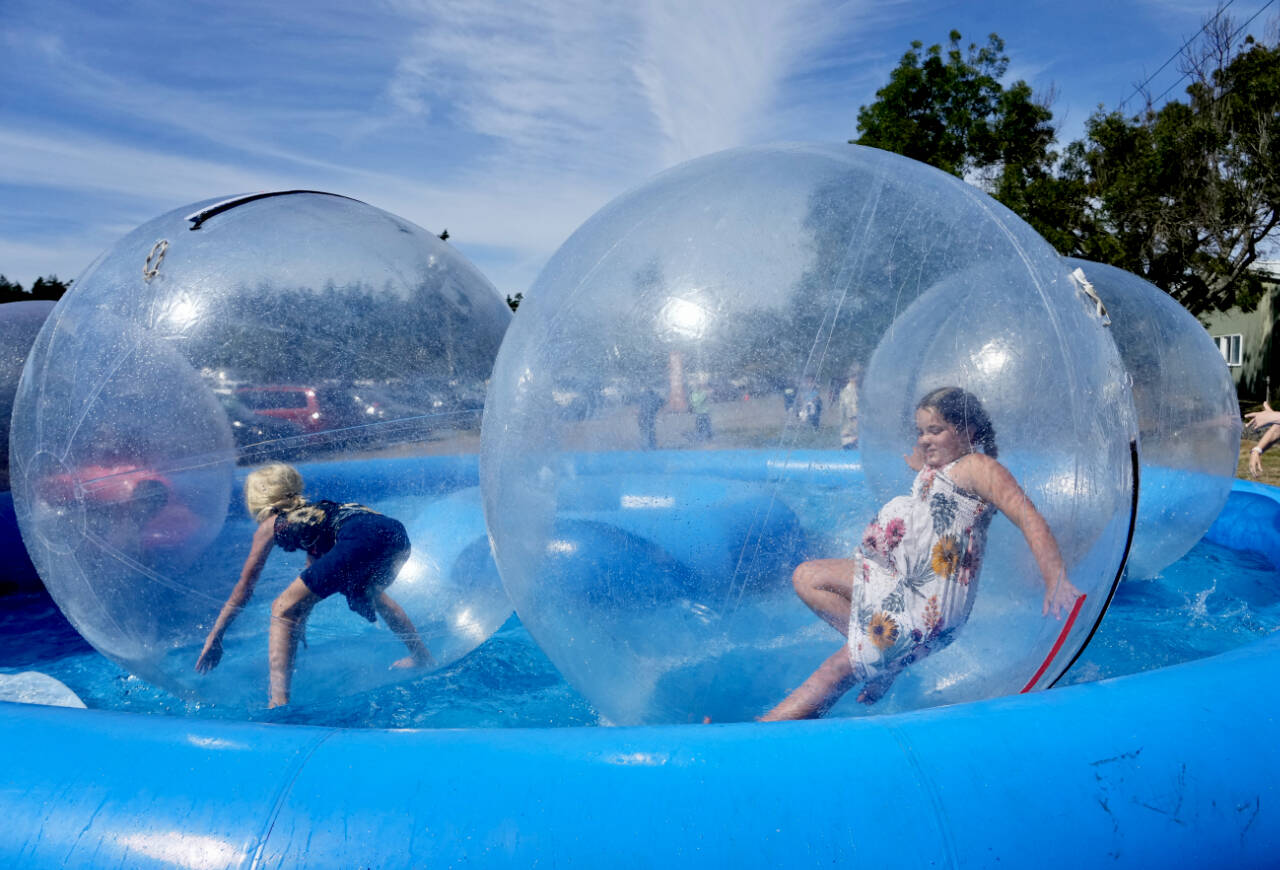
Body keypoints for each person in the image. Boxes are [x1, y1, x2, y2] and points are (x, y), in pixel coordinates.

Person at [761, 386, 1081, 721]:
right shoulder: (939, 468)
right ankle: (883, 661)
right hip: (901, 587)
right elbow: (938, 497)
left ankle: (761, 739)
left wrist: (1055, 577)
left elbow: (1029, 518)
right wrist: (921, 464)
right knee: (808, 577)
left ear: (967, 430)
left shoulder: (979, 467)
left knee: (833, 673)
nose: (925, 440)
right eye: (920, 432)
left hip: (929, 607)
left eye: (936, 430)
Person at [195, 463, 433, 707]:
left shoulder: (271, 525)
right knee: (371, 595)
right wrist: (299, 622)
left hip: (360, 536)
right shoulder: (317, 514)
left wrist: (215, 637)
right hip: (395, 534)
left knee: (280, 607)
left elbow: (244, 589)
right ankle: (422, 656)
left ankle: (278, 702)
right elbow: (312, 577)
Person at [838, 368, 860, 450]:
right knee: (851, 447)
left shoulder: (845, 391)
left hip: (847, 425)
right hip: (850, 425)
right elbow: (852, 411)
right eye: (856, 377)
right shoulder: (850, 391)